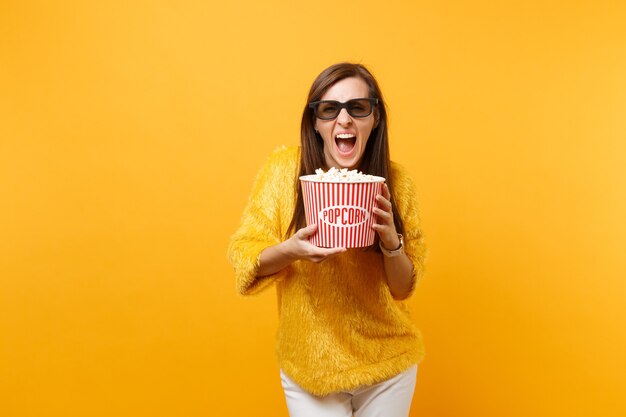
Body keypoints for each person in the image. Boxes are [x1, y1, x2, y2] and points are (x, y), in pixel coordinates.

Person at [228, 62, 427, 417]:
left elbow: (403, 288)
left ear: (375, 118)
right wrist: (291, 250)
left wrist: (390, 246)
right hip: (309, 366)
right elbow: (246, 256)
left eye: (358, 107)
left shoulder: (396, 183)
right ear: (316, 124)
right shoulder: (284, 171)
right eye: (329, 109)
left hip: (387, 363)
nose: (344, 119)